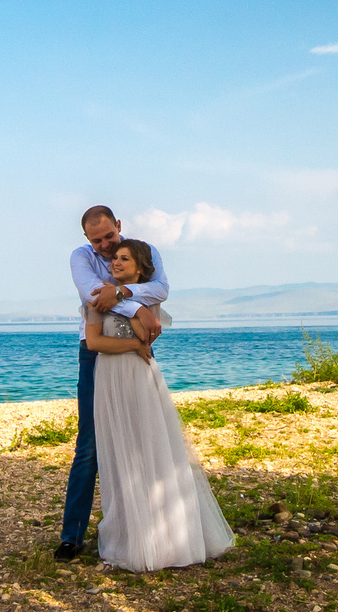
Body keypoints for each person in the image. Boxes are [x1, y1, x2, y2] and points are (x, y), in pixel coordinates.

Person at [82, 240, 234, 571]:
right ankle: (129, 535)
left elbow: (148, 334)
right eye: (115, 259)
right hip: (109, 379)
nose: (116, 263)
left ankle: (165, 537)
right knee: (119, 453)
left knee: (150, 448)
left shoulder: (146, 298)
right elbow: (94, 342)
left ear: (140, 269)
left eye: (124, 259)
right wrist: (134, 343)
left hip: (139, 376)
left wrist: (128, 302)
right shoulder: (97, 296)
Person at [59, 205, 169, 561]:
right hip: (95, 353)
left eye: (110, 235)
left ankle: (145, 527)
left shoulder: (141, 250)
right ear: (87, 239)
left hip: (136, 354)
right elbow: (94, 296)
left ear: (118, 225)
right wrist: (136, 305)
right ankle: (71, 535)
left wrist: (121, 295)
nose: (105, 245)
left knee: (140, 437)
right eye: (98, 240)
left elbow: (161, 288)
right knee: (90, 443)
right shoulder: (82, 257)